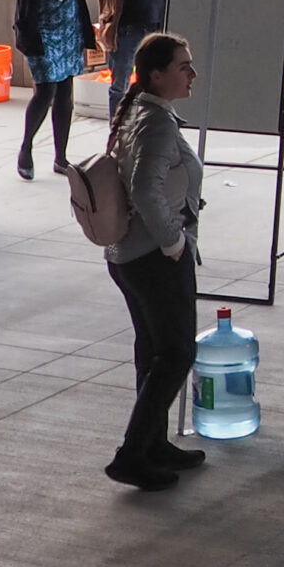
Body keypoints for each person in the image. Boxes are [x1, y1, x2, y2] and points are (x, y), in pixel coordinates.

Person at [102, 32, 207, 491]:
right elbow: (146, 190)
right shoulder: (157, 123)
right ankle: (132, 453)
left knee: (154, 349)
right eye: (183, 66)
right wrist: (174, 242)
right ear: (158, 74)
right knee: (178, 350)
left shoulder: (140, 112)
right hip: (153, 257)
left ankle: (152, 444)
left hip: (129, 255)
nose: (192, 73)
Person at [3, 0, 94, 180]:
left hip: (69, 23)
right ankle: (26, 148)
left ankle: (61, 157)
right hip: (39, 25)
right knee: (46, 89)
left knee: (66, 88)